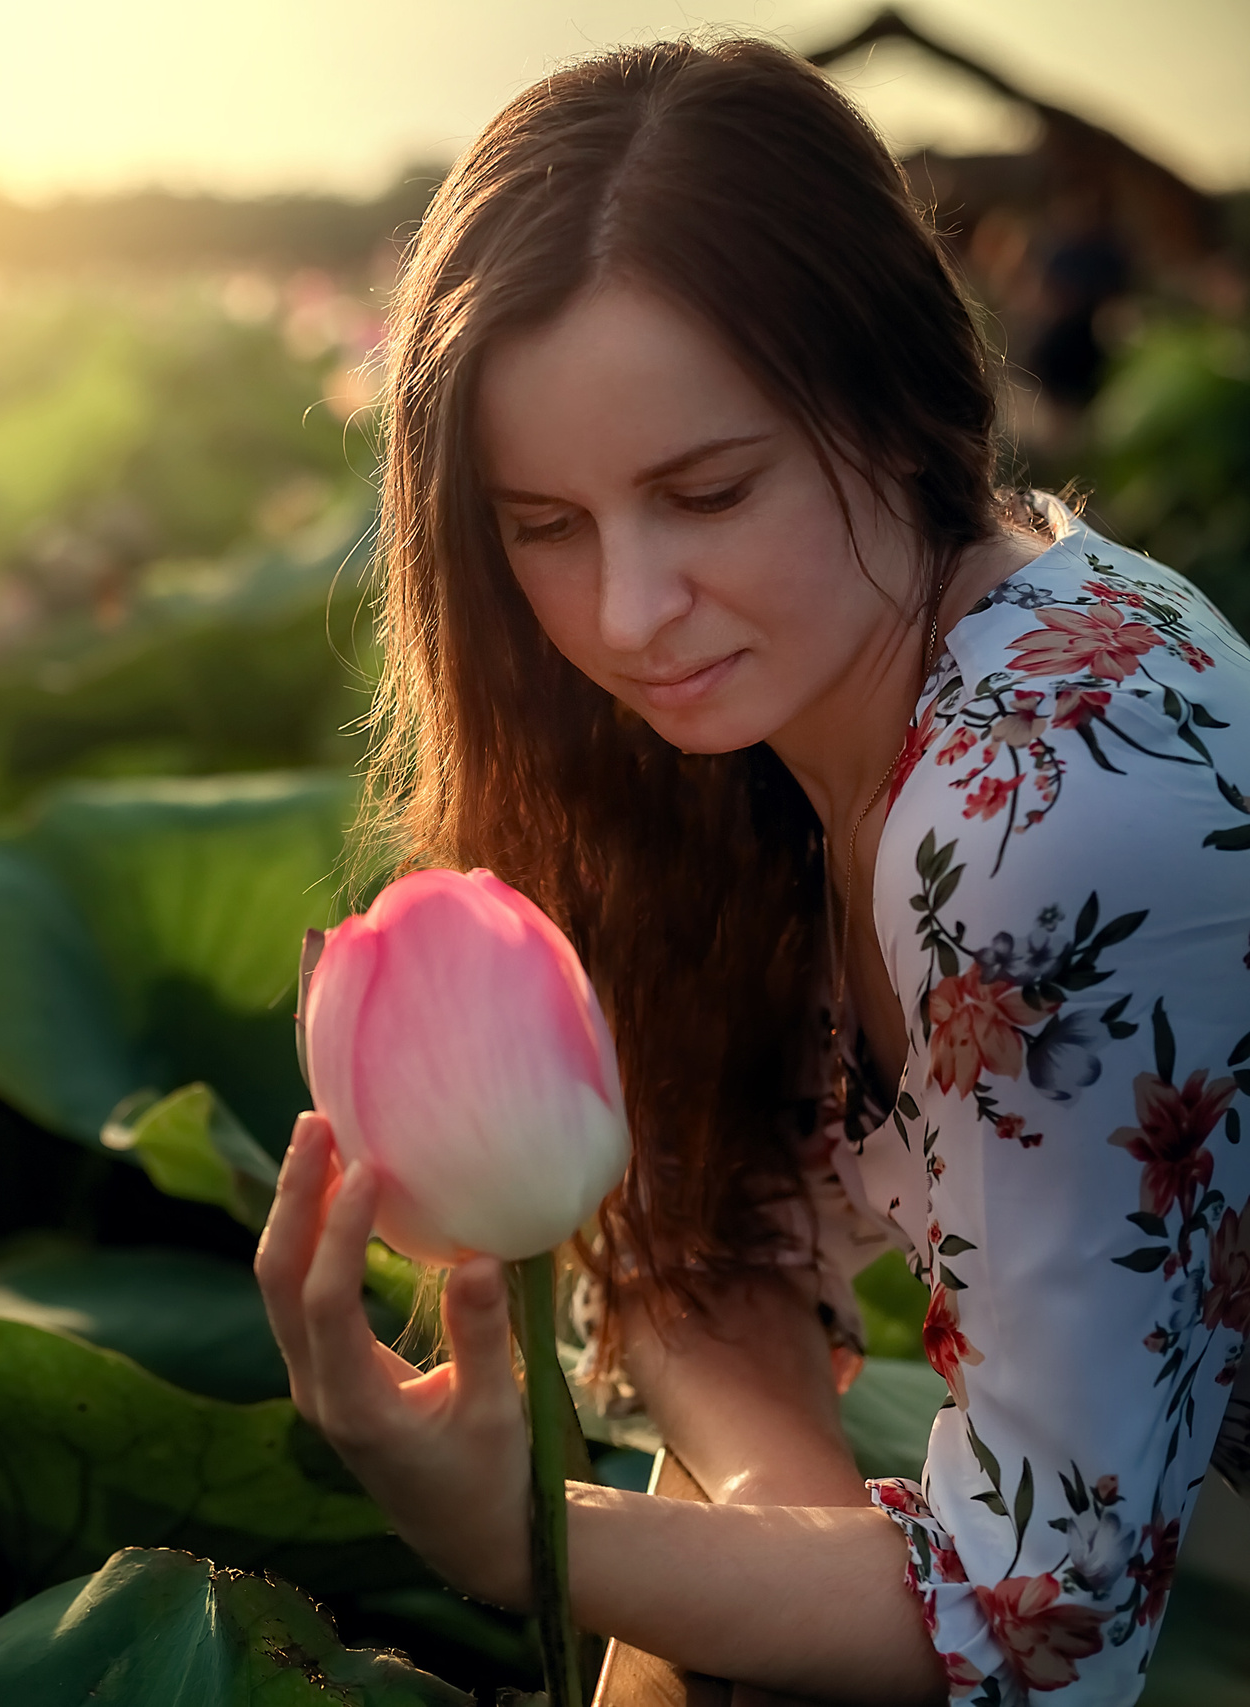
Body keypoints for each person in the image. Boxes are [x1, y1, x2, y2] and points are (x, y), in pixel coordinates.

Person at [254, 37, 1249, 1707]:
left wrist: (512, 1533)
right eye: (541, 525)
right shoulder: (788, 700)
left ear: (902, 403)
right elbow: (701, 1243)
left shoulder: (1050, 801)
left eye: (704, 492)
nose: (627, 613)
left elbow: (1033, 1626)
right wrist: (781, 1528)